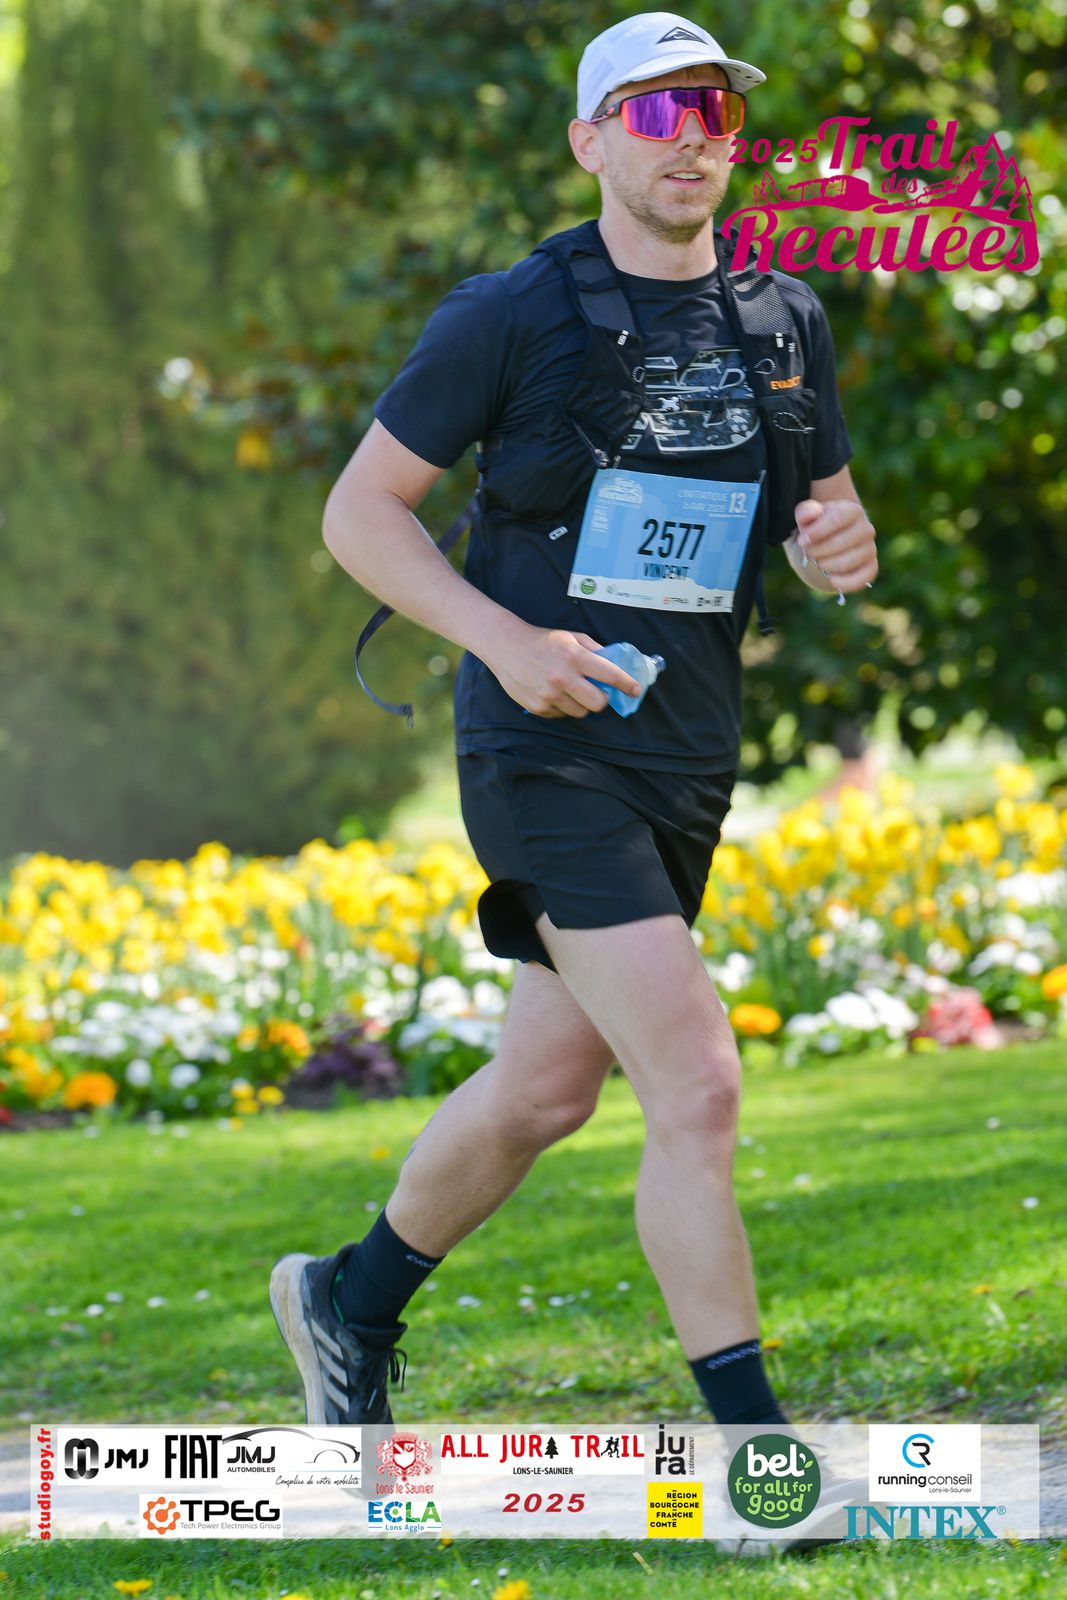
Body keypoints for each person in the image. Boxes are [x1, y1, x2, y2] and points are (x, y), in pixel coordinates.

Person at [270, 7, 878, 1508]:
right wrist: (502, 641)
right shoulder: (510, 314)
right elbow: (360, 513)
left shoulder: (782, 318)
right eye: (659, 114)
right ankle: (757, 1466)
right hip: (543, 748)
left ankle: (349, 1301)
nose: (695, 141)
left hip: (687, 754)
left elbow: (828, 516)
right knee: (698, 1082)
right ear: (591, 140)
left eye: (716, 114)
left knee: (546, 1090)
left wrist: (841, 550)